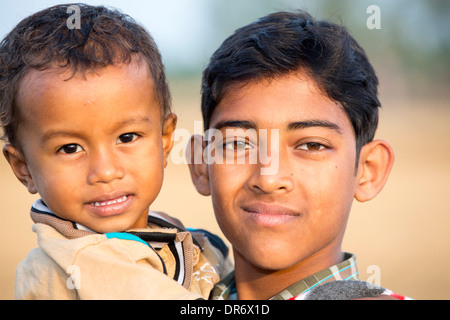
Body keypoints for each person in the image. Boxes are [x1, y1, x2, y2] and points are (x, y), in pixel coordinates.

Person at [0, 3, 231, 300]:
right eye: (69, 148)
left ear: (164, 140)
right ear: (24, 168)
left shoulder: (171, 235)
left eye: (127, 137)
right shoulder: (75, 264)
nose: (106, 171)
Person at [188, 10, 408, 300]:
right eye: (238, 144)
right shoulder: (167, 284)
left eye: (312, 145)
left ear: (368, 170)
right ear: (202, 164)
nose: (268, 178)